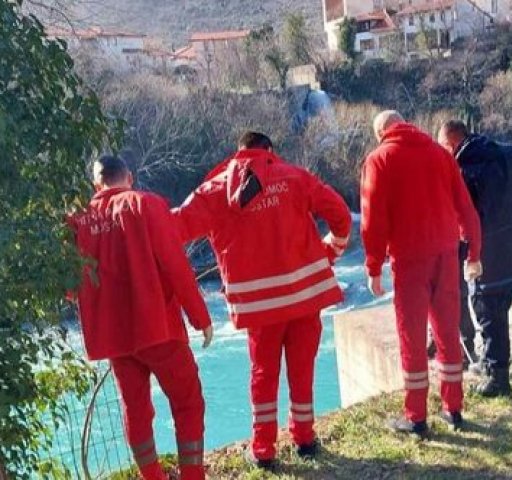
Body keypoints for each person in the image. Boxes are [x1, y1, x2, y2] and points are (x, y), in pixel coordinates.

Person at [173, 131, 351, 469]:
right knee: (302, 369)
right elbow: (340, 213)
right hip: (304, 297)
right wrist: (332, 250)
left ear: (238, 153)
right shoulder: (294, 177)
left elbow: (175, 227)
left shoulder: (215, 190)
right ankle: (304, 439)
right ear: (269, 151)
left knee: (263, 375)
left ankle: (264, 449)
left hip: (258, 306)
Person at [68, 155, 213, 480]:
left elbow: (70, 288)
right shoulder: (146, 205)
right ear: (129, 177)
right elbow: (175, 264)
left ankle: (152, 477)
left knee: (135, 410)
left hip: (114, 337)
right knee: (188, 403)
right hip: (157, 327)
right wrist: (200, 317)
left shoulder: (79, 220)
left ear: (96, 184)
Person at [361, 111, 482, 436]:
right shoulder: (441, 154)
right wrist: (474, 253)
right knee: (447, 333)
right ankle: (453, 409)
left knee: (412, 338)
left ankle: (416, 416)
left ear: (381, 132)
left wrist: (373, 267)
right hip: (446, 255)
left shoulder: (379, 159)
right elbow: (466, 208)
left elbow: (373, 219)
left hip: (409, 259)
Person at [437, 120, 512, 397]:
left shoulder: (461, 169)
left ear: (451, 143)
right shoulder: (508, 153)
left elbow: (457, 215)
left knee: (487, 311)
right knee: (499, 309)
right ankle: (491, 364)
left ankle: (498, 379)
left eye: (443, 148)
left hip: (486, 252)